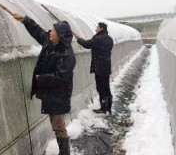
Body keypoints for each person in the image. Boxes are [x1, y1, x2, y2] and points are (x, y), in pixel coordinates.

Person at [13, 12, 75, 155]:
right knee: (56, 125)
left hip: (59, 95)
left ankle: (65, 153)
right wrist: (25, 19)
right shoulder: (50, 42)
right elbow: (37, 31)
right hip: (50, 93)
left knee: (58, 126)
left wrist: (39, 79)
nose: (49, 31)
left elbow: (60, 76)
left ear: (59, 35)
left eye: (53, 30)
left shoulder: (67, 54)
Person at [74, 22, 113, 114]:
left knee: (100, 88)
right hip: (106, 67)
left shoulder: (98, 38)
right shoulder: (110, 39)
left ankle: (103, 108)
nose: (95, 29)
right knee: (106, 87)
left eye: (97, 27)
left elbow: (87, 44)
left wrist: (78, 38)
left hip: (99, 67)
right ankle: (108, 107)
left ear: (101, 28)